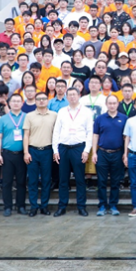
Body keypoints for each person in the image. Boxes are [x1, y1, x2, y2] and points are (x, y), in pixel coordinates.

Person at [52, 87, 94, 217]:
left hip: (79, 148)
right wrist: (55, 150)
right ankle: (62, 206)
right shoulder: (62, 111)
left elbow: (89, 132)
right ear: (66, 96)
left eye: (74, 94)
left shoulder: (86, 112)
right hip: (63, 148)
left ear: (79, 95)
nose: (72, 97)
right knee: (63, 179)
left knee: (80, 179)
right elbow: (56, 131)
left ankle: (81, 206)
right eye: (69, 95)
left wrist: (86, 150)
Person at [91, 95, 128, 216]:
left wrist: (125, 154)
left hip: (117, 153)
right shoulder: (100, 118)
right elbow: (95, 135)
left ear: (118, 104)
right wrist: (94, 153)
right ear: (106, 104)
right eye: (110, 103)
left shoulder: (124, 118)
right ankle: (102, 205)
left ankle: (113, 205)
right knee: (101, 181)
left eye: (114, 103)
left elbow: (126, 137)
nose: (112, 105)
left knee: (115, 181)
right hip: (102, 153)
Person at [23, 92, 58, 216]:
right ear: (35, 101)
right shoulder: (29, 116)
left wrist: (55, 151)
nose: (41, 101)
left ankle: (44, 206)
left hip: (48, 151)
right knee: (32, 181)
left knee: (46, 180)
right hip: (33, 150)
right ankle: (33, 206)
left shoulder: (54, 115)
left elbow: (57, 134)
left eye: (44, 99)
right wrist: (26, 152)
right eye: (39, 99)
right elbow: (26, 135)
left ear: (48, 101)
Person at [0, 94, 28, 217]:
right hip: (7, 155)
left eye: (18, 101)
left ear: (22, 103)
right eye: (13, 101)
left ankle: (21, 206)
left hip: (22, 155)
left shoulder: (27, 117)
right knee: (7, 182)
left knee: (21, 182)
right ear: (9, 103)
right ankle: (7, 207)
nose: (16, 103)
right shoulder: (3, 119)